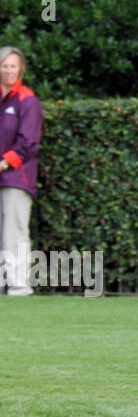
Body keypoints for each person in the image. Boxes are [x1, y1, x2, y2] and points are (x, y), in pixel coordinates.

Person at [0, 46, 43, 296]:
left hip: (16, 177)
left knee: (14, 231)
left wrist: (4, 163)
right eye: (4, 65)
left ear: (21, 69)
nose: (7, 70)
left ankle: (18, 285)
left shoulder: (28, 100)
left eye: (12, 66)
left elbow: (28, 143)